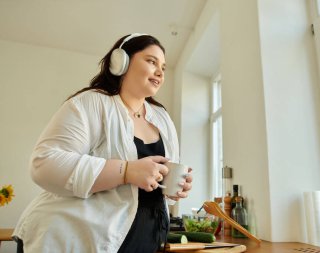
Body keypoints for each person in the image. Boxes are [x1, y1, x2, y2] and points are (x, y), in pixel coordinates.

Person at [12, 33, 193, 252]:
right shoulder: (91, 103)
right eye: (151, 61)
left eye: (163, 67)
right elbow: (44, 164)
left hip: (145, 242)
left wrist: (175, 187)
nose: (159, 72)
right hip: (74, 241)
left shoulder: (162, 118)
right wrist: (125, 171)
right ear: (121, 62)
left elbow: (158, 179)